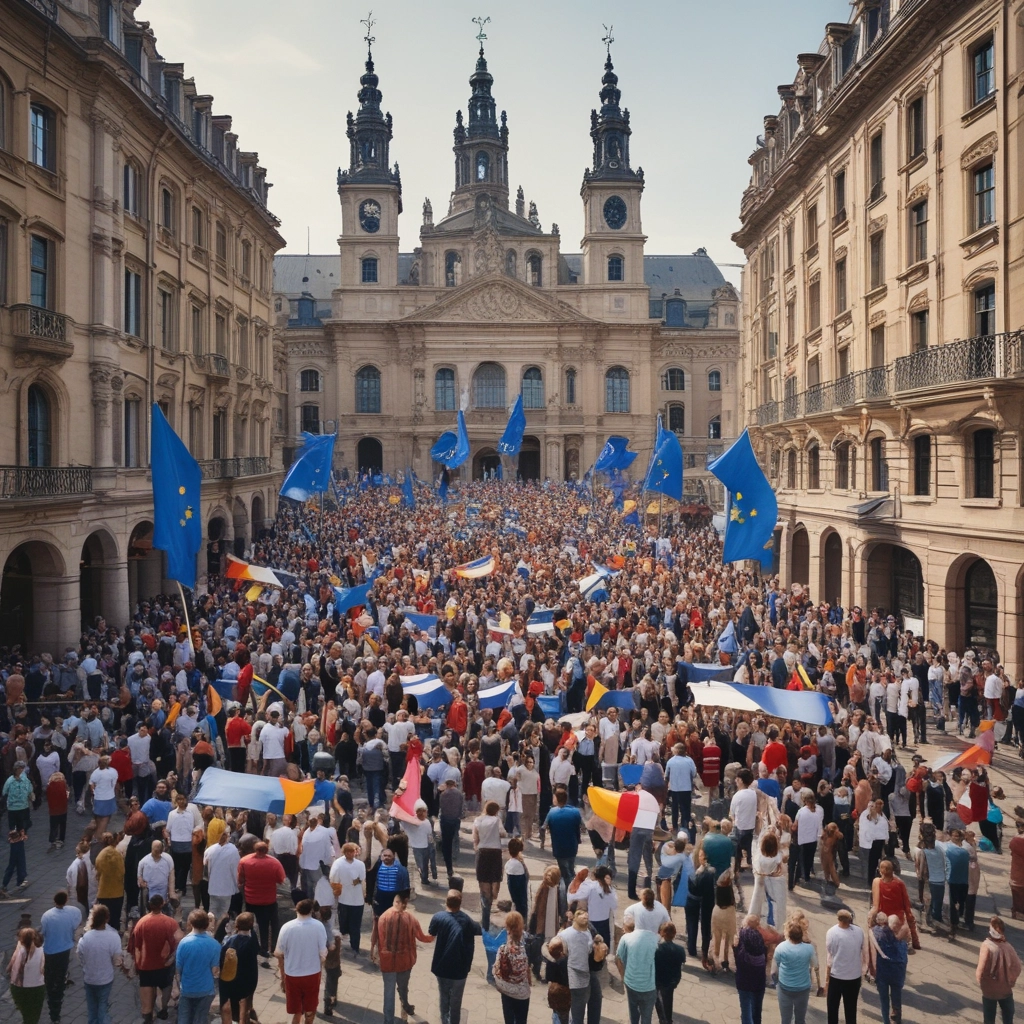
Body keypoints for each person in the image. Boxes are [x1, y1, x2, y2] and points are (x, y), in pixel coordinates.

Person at [377, 891, 433, 1024]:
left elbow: (379, 939)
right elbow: (421, 937)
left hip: (388, 962)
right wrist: (433, 937)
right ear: (405, 903)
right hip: (405, 962)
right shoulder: (411, 919)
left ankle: (388, 1020)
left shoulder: (383, 917)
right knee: (403, 988)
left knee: (388, 993)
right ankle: (405, 1008)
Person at [428, 890, 482, 1024]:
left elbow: (431, 931)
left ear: (446, 902)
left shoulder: (438, 917)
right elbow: (480, 929)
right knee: (456, 1002)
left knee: (444, 996)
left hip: (442, 967)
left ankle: (444, 1020)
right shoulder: (466, 920)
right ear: (460, 903)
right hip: (460, 969)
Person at [129, 894, 181, 1024]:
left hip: (146, 964)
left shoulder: (141, 923)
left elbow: (135, 946)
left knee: (147, 987)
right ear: (162, 904)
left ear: (150, 905)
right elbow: (179, 941)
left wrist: (136, 963)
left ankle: (148, 1014)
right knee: (166, 986)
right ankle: (163, 1009)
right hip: (165, 964)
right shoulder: (170, 922)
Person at [274, 899, 328, 1024]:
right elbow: (323, 953)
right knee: (310, 1006)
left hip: (292, 974)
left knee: (297, 1010)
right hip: (312, 973)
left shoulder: (286, 927)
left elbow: (278, 953)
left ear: (296, 910)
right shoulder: (318, 926)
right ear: (311, 911)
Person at [237, 841, 285, 963]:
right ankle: (266, 950)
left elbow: (241, 879)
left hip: (251, 899)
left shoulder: (245, 861)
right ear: (267, 850)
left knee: (250, 925)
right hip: (268, 900)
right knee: (266, 926)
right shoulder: (274, 863)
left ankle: (250, 946)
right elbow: (281, 880)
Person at [40, 890, 82, 1024]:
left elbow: (43, 933)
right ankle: (57, 1004)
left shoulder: (46, 916)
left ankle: (51, 996)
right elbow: (75, 925)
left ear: (54, 901)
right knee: (60, 975)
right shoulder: (71, 915)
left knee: (50, 976)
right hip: (64, 950)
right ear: (66, 901)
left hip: (50, 950)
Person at [76, 904, 123, 1024]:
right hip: (106, 978)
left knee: (92, 1008)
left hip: (89, 978)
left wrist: (85, 965)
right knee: (103, 1006)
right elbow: (117, 960)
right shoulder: (113, 936)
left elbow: (80, 955)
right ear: (107, 918)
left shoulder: (86, 938)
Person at [175, 909, 222, 1024]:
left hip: (187, 988)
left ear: (190, 923)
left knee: (184, 1019)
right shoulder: (215, 944)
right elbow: (215, 970)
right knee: (200, 1019)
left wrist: (178, 985)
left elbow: (178, 970)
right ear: (207, 924)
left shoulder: (184, 943)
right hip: (206, 989)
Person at [771, 920, 821, 1024]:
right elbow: (815, 965)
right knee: (800, 1019)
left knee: (785, 1019)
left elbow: (774, 971)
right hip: (802, 988)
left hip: (785, 987)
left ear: (788, 934)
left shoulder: (781, 947)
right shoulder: (809, 948)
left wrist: (777, 983)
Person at [615, 909, 659, 1024]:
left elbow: (618, 959)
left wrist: (623, 977)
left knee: (633, 1015)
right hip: (649, 986)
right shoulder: (655, 939)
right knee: (647, 1017)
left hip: (631, 983)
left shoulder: (626, 938)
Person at [824, 909, 867, 1024]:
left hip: (836, 975)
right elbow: (863, 949)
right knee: (851, 1010)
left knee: (832, 1009)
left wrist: (827, 981)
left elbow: (830, 955)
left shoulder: (832, 932)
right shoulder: (859, 931)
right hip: (854, 976)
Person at [976, 916, 1021, 1024]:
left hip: (989, 989)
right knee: (1008, 1015)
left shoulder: (986, 945)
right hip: (1005, 988)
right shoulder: (1008, 947)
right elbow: (1018, 967)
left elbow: (981, 968)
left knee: (989, 1018)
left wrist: (981, 981)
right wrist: (1011, 980)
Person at [370, 847, 411, 963]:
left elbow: (406, 887)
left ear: (393, 856)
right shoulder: (376, 867)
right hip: (380, 900)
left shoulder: (401, 869)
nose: (386, 858)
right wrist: (371, 898)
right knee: (378, 925)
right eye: (384, 855)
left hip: (394, 900)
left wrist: (403, 902)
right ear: (381, 856)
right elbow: (371, 882)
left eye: (389, 856)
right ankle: (376, 950)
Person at [218, 912, 259, 1024]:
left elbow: (221, 957)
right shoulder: (252, 941)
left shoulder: (228, 940)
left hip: (229, 979)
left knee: (228, 1005)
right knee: (244, 1004)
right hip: (247, 980)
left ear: (236, 925)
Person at [473, 799, 507, 930]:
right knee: (495, 879)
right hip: (495, 853)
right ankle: (489, 903)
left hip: (482, 852)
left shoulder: (478, 820)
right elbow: (503, 833)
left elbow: (475, 838)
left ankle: (485, 915)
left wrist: (477, 848)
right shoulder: (496, 820)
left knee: (483, 882)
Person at [493, 910, 532, 1024]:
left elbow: (496, 970)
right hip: (522, 992)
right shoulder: (528, 946)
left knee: (509, 1020)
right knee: (521, 1020)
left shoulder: (503, 949)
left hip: (506, 990)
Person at [867, 913, 907, 1024]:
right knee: (896, 1002)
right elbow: (903, 961)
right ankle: (896, 1021)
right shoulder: (902, 943)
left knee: (884, 1001)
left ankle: (886, 1021)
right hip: (896, 976)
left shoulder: (878, 935)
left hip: (882, 975)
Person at [558, 908, 594, 1024]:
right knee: (576, 1011)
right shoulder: (566, 934)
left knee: (575, 1009)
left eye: (586, 916)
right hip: (574, 975)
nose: (585, 917)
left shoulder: (587, 932)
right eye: (582, 915)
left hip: (579, 975)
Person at [330, 842, 366, 955]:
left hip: (357, 899)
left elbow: (362, 878)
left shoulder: (360, 864)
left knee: (355, 925)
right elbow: (334, 879)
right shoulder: (338, 863)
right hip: (344, 898)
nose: (351, 854)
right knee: (344, 923)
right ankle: (344, 944)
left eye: (353, 851)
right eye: (348, 852)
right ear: (344, 852)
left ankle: (355, 946)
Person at [546, 788, 584, 888]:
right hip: (572, 845)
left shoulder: (552, 812)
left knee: (563, 872)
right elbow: (578, 827)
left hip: (558, 847)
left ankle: (567, 891)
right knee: (571, 868)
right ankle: (575, 886)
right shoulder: (575, 812)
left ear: (556, 799)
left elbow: (544, 826)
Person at [734, 915, 768, 1024]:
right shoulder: (761, 945)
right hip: (759, 984)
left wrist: (735, 944)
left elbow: (737, 962)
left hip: (744, 983)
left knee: (746, 1014)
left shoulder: (741, 949)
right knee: (757, 1014)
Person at [749, 829, 786, 929]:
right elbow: (782, 871)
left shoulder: (759, 858)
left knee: (758, 905)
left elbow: (755, 857)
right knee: (773, 907)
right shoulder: (778, 857)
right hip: (774, 887)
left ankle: (754, 924)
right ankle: (774, 926)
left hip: (760, 884)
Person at [8, 927, 46, 1024]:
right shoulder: (42, 951)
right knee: (33, 1016)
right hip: (37, 987)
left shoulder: (20, 951)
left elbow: (12, 969)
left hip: (18, 988)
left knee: (25, 1012)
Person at [204, 828, 240, 923]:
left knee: (212, 911)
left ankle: (210, 930)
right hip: (227, 887)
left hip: (213, 886)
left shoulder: (210, 850)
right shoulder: (233, 850)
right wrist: (236, 885)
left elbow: (206, 868)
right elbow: (235, 869)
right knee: (224, 912)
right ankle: (220, 932)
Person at [654, 921, 685, 1024]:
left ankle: (664, 1020)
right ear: (674, 933)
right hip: (672, 980)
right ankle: (667, 1019)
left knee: (659, 1001)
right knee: (667, 1000)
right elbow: (682, 962)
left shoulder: (656, 948)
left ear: (660, 933)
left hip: (658, 980)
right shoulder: (680, 949)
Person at [710, 869, 737, 972]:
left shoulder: (718, 891)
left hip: (717, 912)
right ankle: (725, 961)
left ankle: (714, 959)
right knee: (728, 939)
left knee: (716, 938)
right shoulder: (731, 905)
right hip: (729, 913)